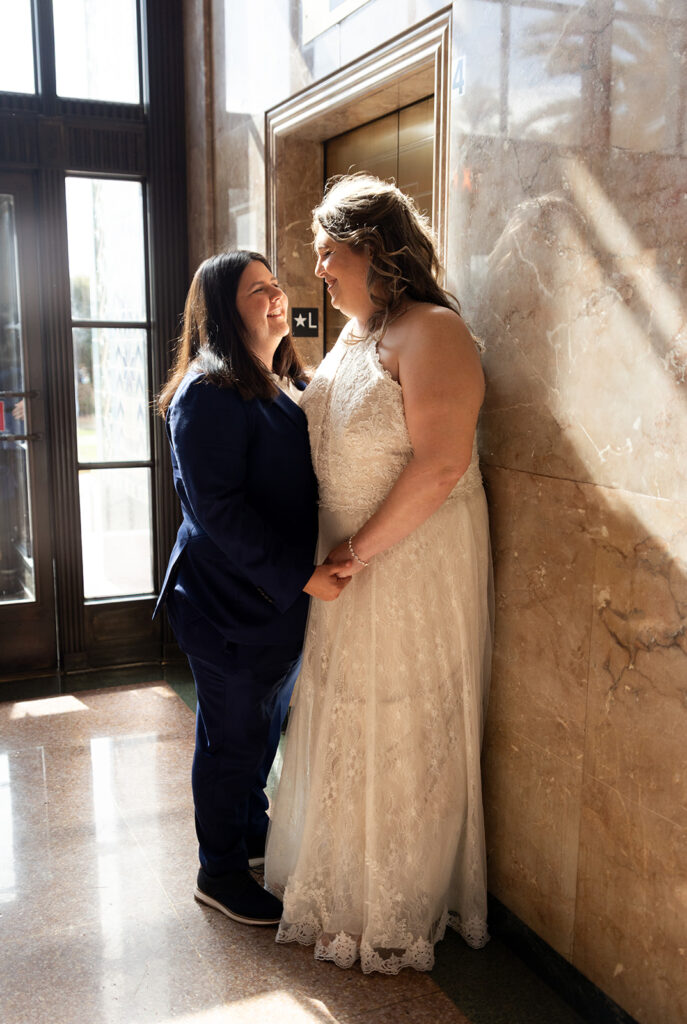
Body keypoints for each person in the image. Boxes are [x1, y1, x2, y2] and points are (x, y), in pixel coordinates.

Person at [265, 175, 493, 973]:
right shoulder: (356, 335)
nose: (318, 270)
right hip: (345, 566)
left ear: (372, 249)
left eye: (328, 252)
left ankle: (392, 898)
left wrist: (357, 554)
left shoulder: (433, 331)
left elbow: (441, 464)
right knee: (346, 715)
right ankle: (337, 882)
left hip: (405, 564)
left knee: (403, 725)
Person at [154, 250, 348, 927]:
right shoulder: (207, 392)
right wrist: (301, 576)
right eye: (256, 291)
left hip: (273, 604)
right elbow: (220, 512)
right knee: (229, 741)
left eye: (274, 285)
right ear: (222, 311)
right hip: (227, 605)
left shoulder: (281, 379)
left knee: (260, 728)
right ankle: (220, 871)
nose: (275, 297)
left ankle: (249, 831)